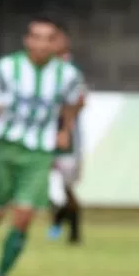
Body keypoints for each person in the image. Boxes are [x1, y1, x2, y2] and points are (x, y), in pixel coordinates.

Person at [0, 16, 84, 276]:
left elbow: (76, 100)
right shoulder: (9, 67)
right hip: (6, 145)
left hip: (40, 151)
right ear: (28, 40)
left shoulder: (66, 74)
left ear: (55, 43)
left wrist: (66, 128)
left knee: (23, 215)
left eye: (49, 38)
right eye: (38, 37)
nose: (43, 44)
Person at [47, 27, 86, 245]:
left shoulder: (71, 72)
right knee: (36, 180)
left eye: (54, 39)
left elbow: (80, 102)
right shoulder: (42, 70)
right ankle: (57, 217)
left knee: (67, 186)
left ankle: (72, 228)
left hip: (67, 139)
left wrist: (65, 127)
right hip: (41, 135)